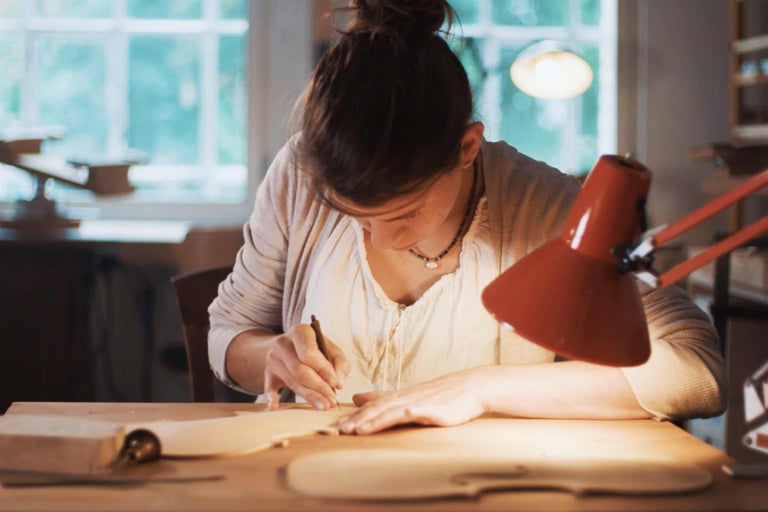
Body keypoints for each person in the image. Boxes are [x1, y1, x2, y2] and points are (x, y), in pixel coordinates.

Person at [208, 0, 726, 435]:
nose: (381, 241)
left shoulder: (544, 207)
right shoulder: (300, 175)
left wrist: (478, 389)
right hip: (310, 479)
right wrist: (272, 355)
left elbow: (696, 367)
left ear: (466, 147)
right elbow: (228, 333)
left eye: (404, 212)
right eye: (358, 218)